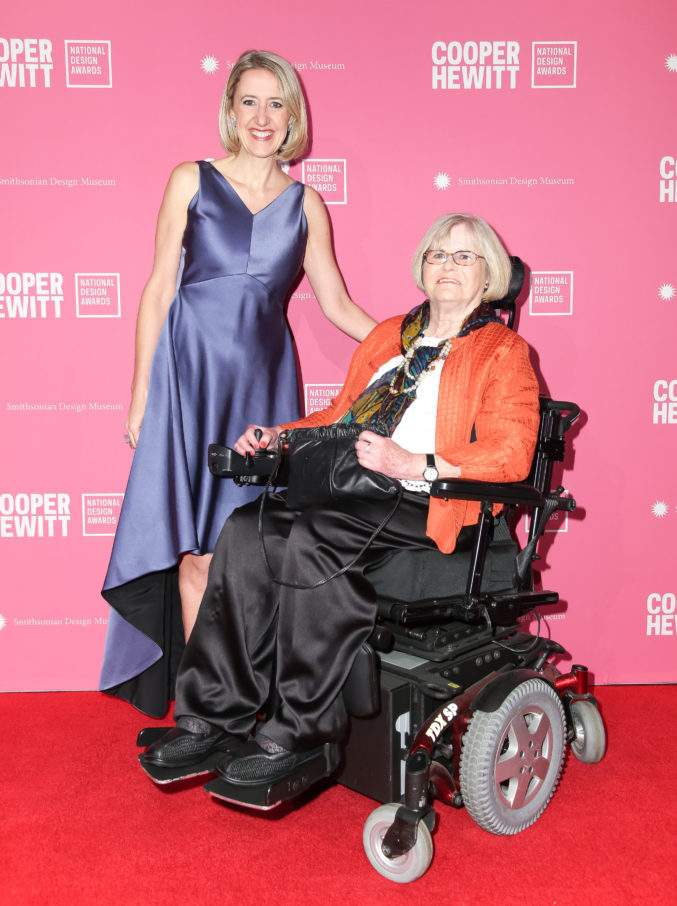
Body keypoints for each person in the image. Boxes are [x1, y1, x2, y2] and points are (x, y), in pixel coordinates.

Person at [141, 213, 541, 785]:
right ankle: (213, 717)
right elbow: (338, 418)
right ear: (421, 268)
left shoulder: (502, 352)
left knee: (310, 537)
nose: (446, 266)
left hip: (429, 500)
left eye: (463, 256)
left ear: (490, 275)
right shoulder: (388, 337)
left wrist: (413, 464)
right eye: (437, 255)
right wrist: (281, 436)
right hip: (354, 490)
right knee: (247, 527)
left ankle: (301, 732)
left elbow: (511, 452)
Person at [100, 50, 376, 718]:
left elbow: (336, 305)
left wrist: (409, 343)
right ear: (230, 110)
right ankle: (205, 707)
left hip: (263, 383)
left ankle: (253, 694)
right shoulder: (189, 181)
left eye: (275, 103)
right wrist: (142, 391)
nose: (261, 117)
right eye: (248, 102)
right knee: (193, 548)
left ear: (293, 117)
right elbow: (160, 286)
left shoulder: (307, 203)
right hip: (188, 377)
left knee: (246, 544)